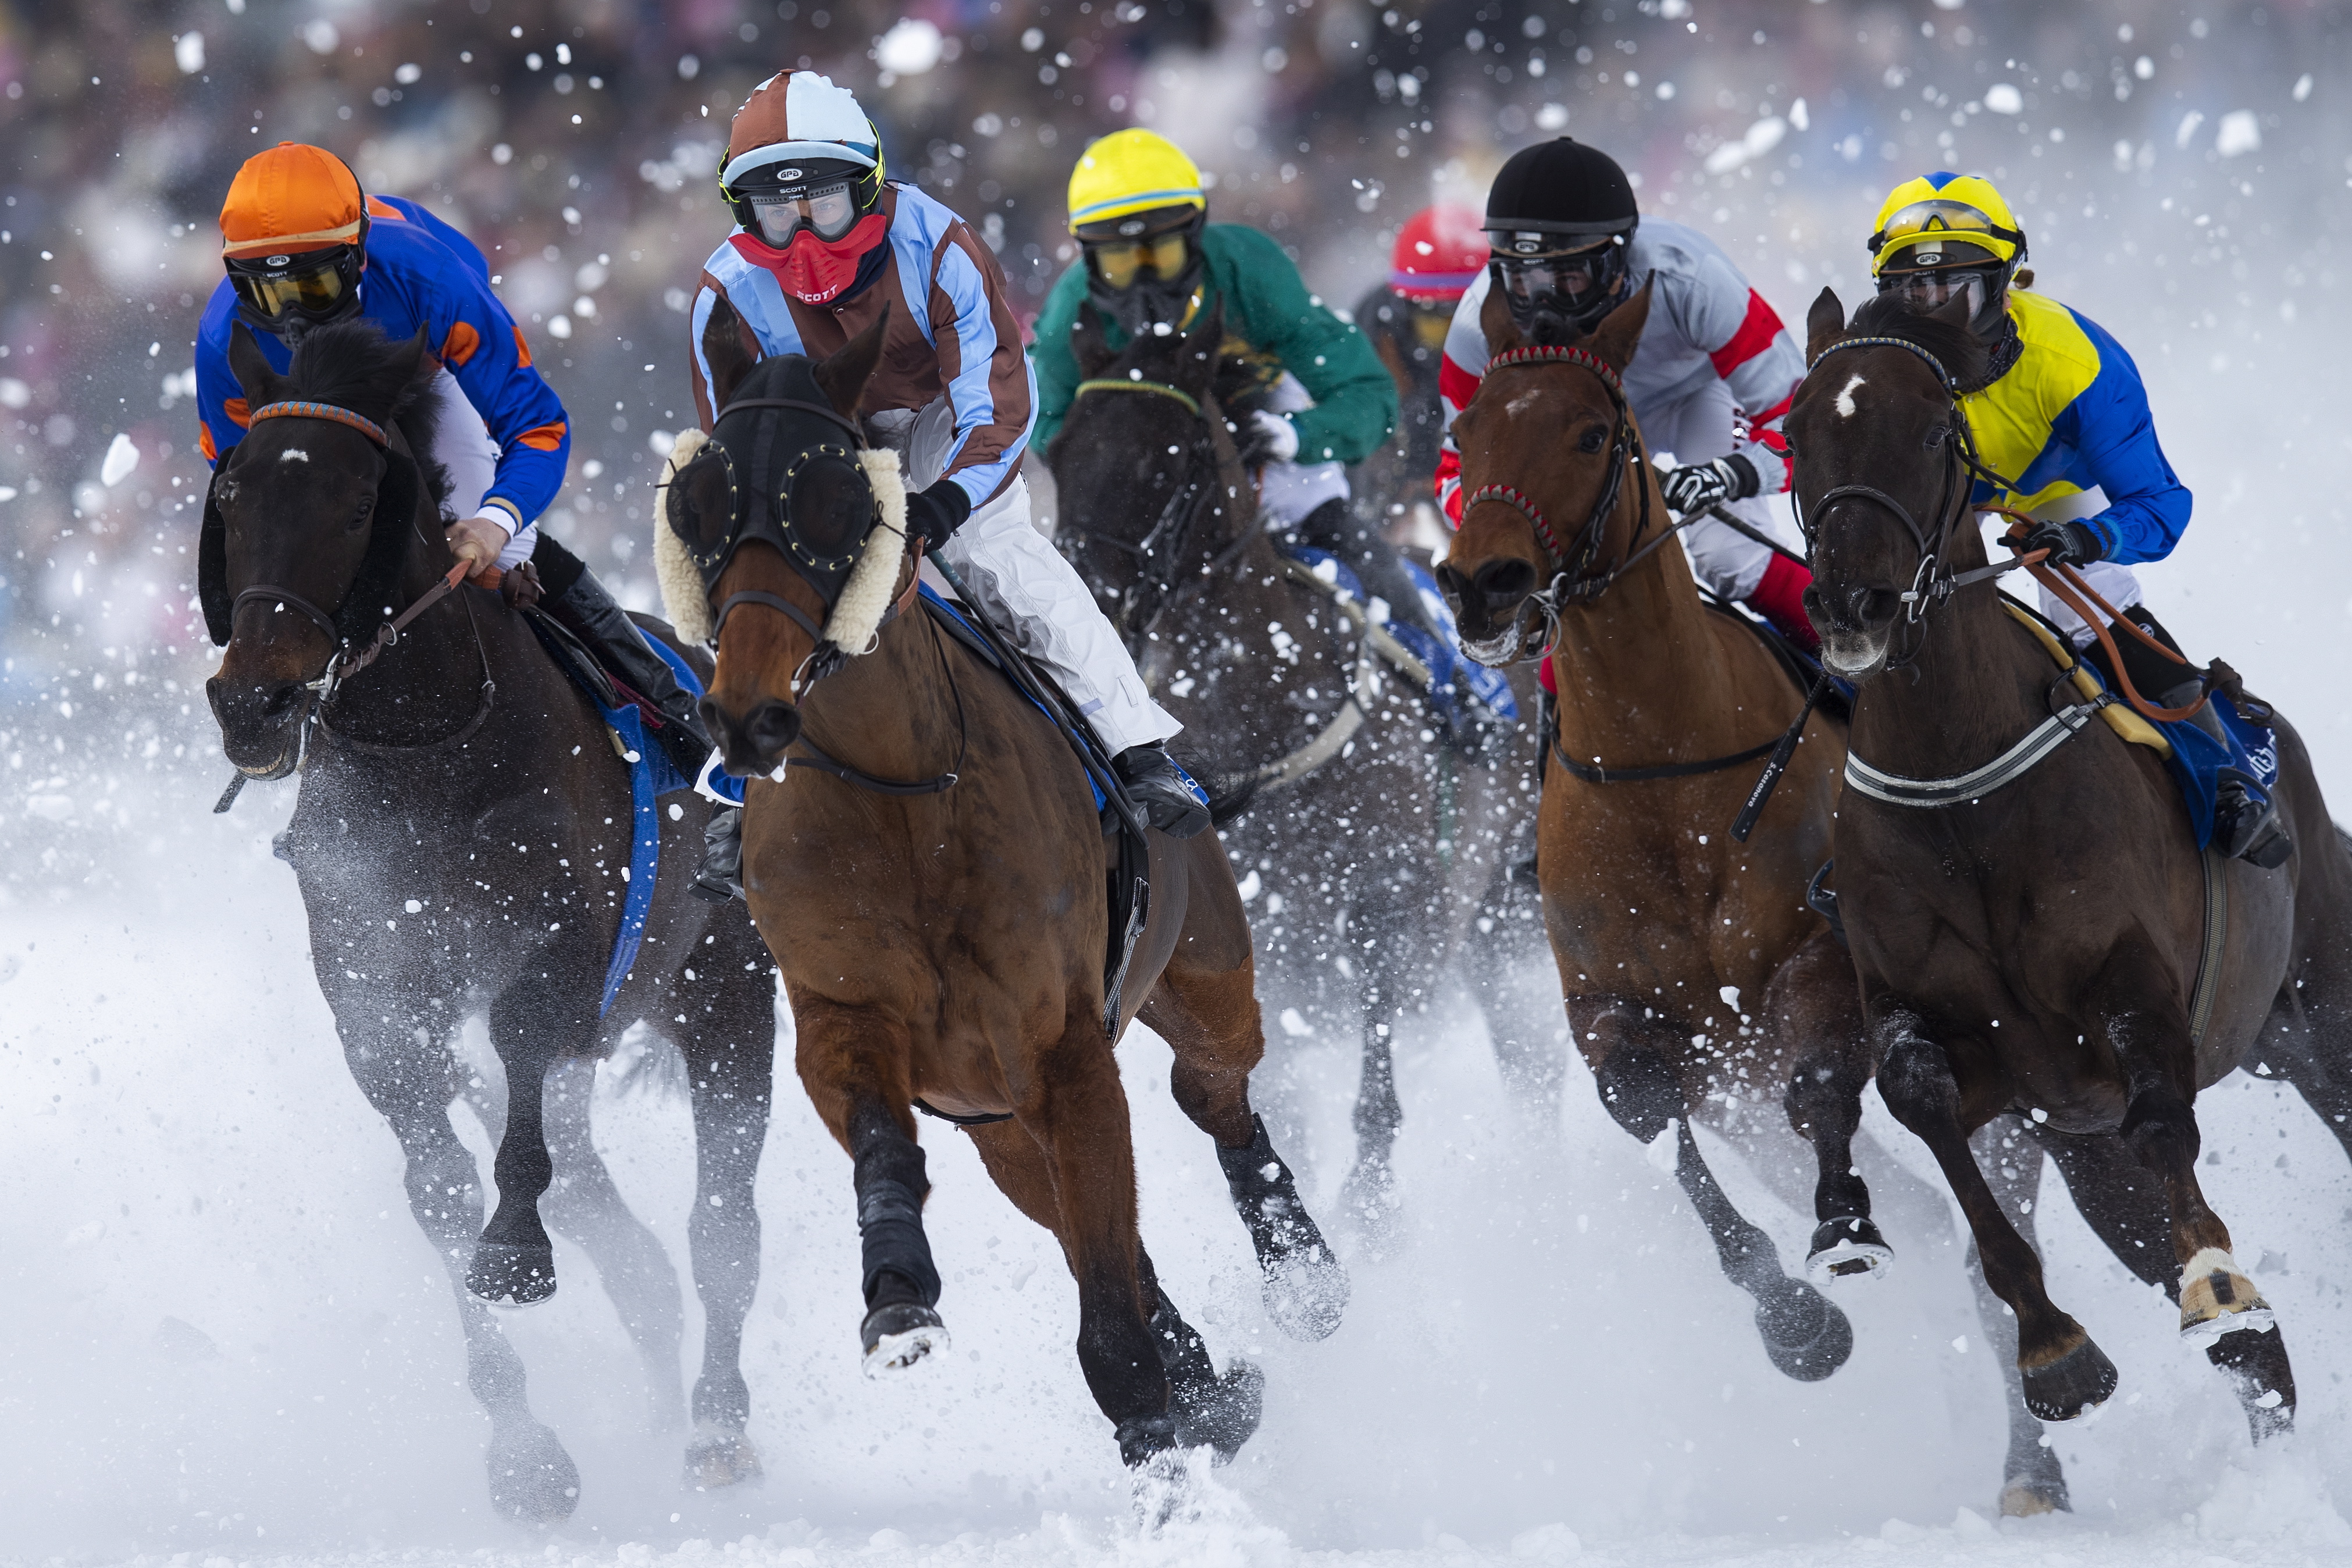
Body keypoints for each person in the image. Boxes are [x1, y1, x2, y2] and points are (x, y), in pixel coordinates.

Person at [194, 142, 739, 897]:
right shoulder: (224, 336)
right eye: (266, 293)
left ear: (354, 261)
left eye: (315, 287)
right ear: (233, 279)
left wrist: (491, 524)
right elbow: (243, 487)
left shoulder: (427, 279)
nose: (291, 319)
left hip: (419, 368)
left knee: (504, 553)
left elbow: (538, 426)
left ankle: (681, 726)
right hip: (308, 405)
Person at [684, 71, 1207, 839]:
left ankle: (1138, 749)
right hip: (828, 433)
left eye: (822, 205)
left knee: (995, 547)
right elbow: (739, 450)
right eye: (775, 211)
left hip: (944, 414)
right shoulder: (721, 298)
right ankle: (745, 775)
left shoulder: (939, 245)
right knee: (771, 570)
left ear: (867, 189)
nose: (802, 237)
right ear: (742, 212)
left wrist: (947, 501)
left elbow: (992, 403)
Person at [1866, 171, 2283, 865]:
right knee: (1874, 626)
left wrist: (2090, 535)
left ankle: (2226, 777)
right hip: (1933, 497)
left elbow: (2161, 504)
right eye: (1911, 292)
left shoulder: (2076, 360)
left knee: (2093, 610)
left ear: (2003, 284)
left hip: (2051, 492)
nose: (1930, 314)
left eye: (1951, 291)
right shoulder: (1871, 357)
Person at [1028, 130, 1426, 636]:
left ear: (1195, 234)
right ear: (1088, 256)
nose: (1147, 281)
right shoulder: (1070, 313)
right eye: (1122, 260)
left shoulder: (1249, 271)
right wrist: (1112, 470)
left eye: (1161, 253)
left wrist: (1299, 436)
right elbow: (1045, 422)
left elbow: (1370, 392)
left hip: (1266, 435)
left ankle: (1456, 693)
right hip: (1148, 468)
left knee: (1365, 555)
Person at [1435, 137, 1817, 650]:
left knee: (1728, 559)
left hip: (1693, 402)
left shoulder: (1693, 279)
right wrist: (1501, 524)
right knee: (1555, 565)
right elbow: (1451, 468)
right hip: (1562, 425)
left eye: (1569, 277)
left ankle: (1862, 670)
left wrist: (1734, 474)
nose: (1547, 307)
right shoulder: (1475, 325)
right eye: (1524, 282)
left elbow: (1804, 419)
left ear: (1619, 261)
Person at [1349, 204, 1487, 546]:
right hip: (1388, 491)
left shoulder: (1520, 342)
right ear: (1402, 305)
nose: (1447, 339)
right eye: (1433, 320)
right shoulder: (1373, 333)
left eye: (1460, 319)